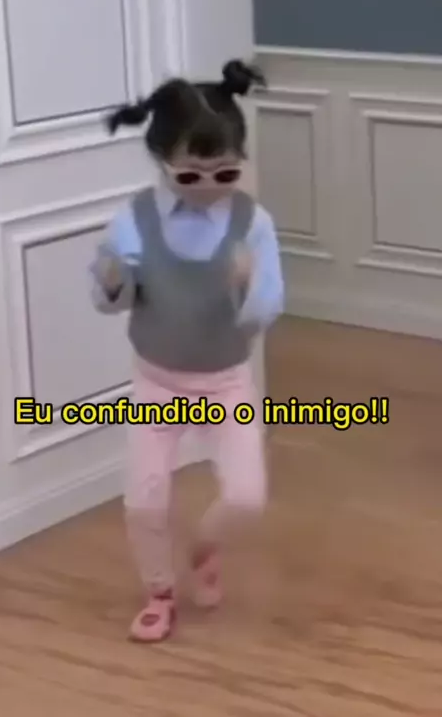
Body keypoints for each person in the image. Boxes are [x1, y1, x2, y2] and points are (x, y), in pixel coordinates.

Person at [90, 59, 284, 642]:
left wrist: (246, 286)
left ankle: (205, 548)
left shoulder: (253, 223)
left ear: (240, 160)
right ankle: (159, 592)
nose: (208, 187)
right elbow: (111, 300)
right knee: (145, 503)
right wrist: (112, 281)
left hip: (225, 383)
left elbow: (267, 309)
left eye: (225, 173)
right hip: (157, 383)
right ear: (162, 161)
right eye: (190, 175)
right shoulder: (135, 219)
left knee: (247, 496)